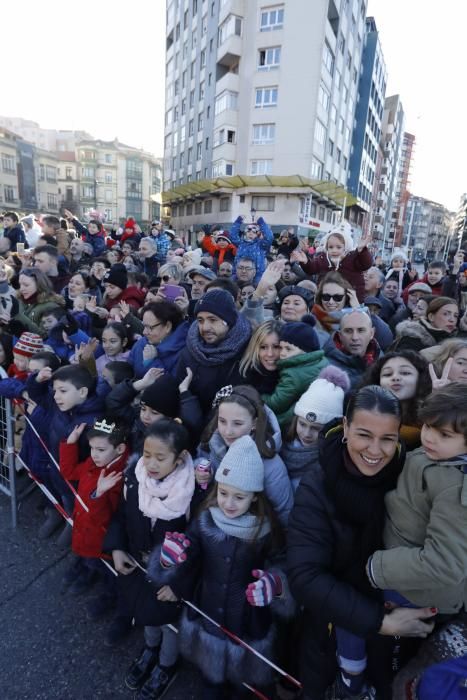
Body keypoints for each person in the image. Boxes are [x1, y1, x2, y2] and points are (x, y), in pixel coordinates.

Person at [287, 386, 436, 700]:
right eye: (364, 435)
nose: (375, 450)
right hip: (331, 634)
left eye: (387, 438)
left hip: (400, 635)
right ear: (345, 427)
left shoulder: (411, 479)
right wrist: (380, 622)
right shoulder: (318, 485)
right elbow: (305, 577)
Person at [147, 435, 293, 698]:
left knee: (242, 684)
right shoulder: (206, 518)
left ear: (255, 498)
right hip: (209, 610)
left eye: (239, 497)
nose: (228, 503)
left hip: (248, 620)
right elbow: (188, 550)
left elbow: (281, 563)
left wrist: (276, 583)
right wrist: (170, 558)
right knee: (210, 677)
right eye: (223, 493)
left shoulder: (266, 530)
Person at [104, 419, 194, 683]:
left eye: (160, 458)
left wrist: (180, 584)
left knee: (169, 622)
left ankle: (167, 664)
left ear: (180, 458)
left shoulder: (192, 492)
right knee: (145, 611)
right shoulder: (135, 477)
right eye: (146, 455)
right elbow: (122, 515)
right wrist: (117, 548)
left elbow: (198, 545)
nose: (151, 464)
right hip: (138, 563)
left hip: (171, 576)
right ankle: (150, 648)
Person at [367, 383, 467, 620]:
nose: (430, 438)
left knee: (386, 644)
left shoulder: (456, 489)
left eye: (444, 434)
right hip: (399, 567)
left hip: (414, 591)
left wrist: (378, 566)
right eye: (428, 426)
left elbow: (445, 563)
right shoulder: (439, 453)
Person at [26, 364, 109, 545]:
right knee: (56, 493)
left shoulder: (95, 421)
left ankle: (72, 523)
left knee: (71, 500)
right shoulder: (61, 404)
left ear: (82, 392)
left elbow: (95, 459)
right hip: (54, 465)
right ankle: (57, 514)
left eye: (62, 391)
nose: (56, 396)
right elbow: (38, 395)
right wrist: (37, 381)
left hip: (76, 478)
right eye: (55, 390)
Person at [196, 384, 293, 525]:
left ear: (254, 423)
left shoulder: (270, 464)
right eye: (222, 421)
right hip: (211, 517)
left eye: (237, 424)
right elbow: (201, 457)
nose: (228, 431)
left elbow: (284, 510)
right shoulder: (214, 440)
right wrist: (202, 471)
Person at [59, 418, 129, 600]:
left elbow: (105, 518)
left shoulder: (117, 477)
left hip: (99, 539)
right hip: (84, 528)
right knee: (88, 558)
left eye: (101, 450)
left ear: (120, 449)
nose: (94, 454)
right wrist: (71, 443)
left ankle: (110, 595)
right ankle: (87, 571)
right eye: (92, 448)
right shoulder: (93, 462)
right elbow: (69, 473)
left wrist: (99, 494)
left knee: (105, 570)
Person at [175, 289, 252, 415]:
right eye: (200, 320)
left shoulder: (246, 353)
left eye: (213, 320)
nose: (205, 327)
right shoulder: (190, 350)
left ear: (229, 321)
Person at [281, 366, 349, 492]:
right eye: (302, 424)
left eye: (316, 428)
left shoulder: (332, 461)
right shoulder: (281, 445)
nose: (307, 433)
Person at [262, 316, 328, 428]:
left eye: (288, 349)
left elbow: (276, 404)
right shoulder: (320, 361)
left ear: (305, 351)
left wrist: (259, 396)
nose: (282, 353)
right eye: (281, 348)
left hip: (289, 423)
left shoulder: (293, 375)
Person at [359, 351, 431, 450]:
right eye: (387, 374)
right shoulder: (360, 415)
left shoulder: (432, 419)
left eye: (405, 373)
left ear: (421, 379)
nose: (395, 377)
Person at [291, 223, 372, 301]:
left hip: (351, 301)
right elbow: (311, 269)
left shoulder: (353, 257)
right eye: (331, 247)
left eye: (338, 247)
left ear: (345, 247)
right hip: (327, 299)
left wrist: (362, 251)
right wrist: (305, 262)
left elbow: (366, 264)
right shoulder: (323, 258)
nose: (334, 250)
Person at [128, 301, 189, 379]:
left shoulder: (183, 353)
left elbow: (171, 385)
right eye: (144, 326)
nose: (144, 332)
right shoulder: (141, 343)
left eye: (150, 327)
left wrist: (152, 362)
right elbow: (127, 372)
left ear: (168, 326)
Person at [325, 309, 382, 388]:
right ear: (340, 336)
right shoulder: (325, 368)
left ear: (372, 333)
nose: (355, 337)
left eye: (361, 330)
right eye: (348, 331)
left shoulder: (382, 359)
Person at [393, 296, 459, 352]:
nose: (452, 320)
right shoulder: (411, 339)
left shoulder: (456, 341)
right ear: (431, 317)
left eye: (455, 316)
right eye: (446, 314)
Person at [13, 268, 66, 336]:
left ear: (39, 285)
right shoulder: (19, 300)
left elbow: (45, 336)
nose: (21, 289)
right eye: (20, 285)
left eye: (26, 285)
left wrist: (17, 315)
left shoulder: (51, 306)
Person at [239, 319, 283, 394]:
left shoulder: (293, 377)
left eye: (276, 347)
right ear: (255, 348)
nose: (270, 354)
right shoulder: (243, 377)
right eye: (263, 347)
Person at [230, 215, 273, 283]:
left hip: (257, 275)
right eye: (248, 231)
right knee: (231, 285)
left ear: (257, 234)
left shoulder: (260, 245)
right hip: (239, 272)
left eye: (254, 231)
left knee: (256, 289)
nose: (251, 233)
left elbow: (269, 237)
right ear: (245, 233)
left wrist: (261, 222)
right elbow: (232, 235)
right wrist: (238, 221)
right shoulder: (240, 243)